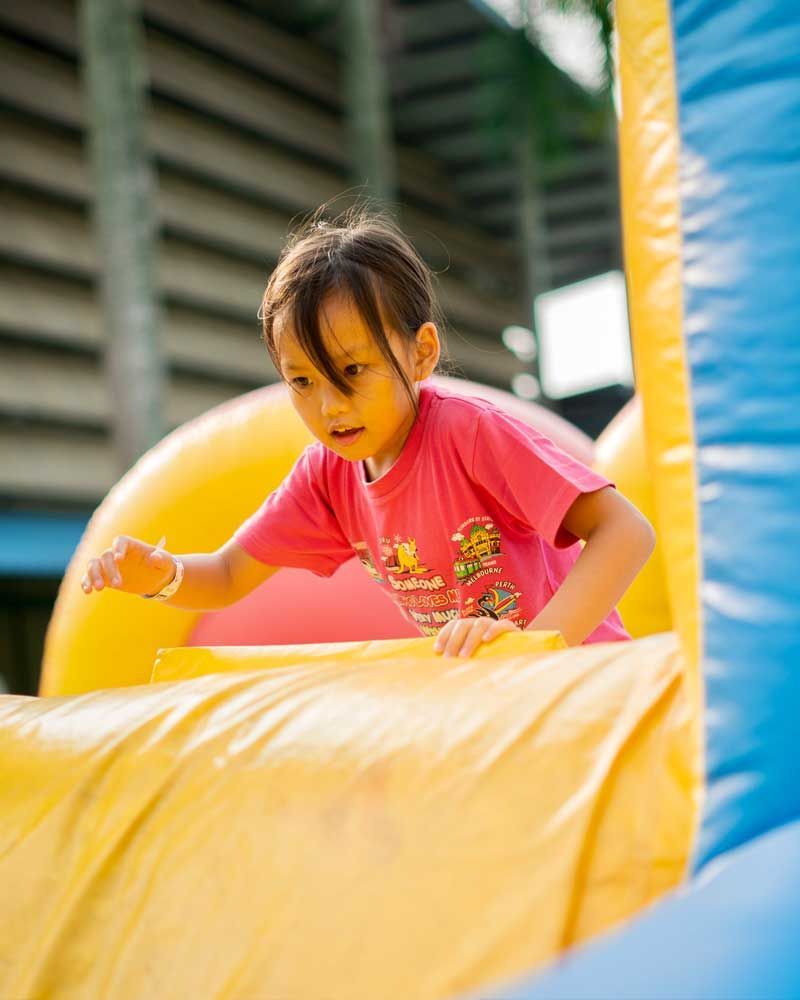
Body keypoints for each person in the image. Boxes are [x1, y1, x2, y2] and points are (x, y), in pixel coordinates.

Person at [81, 209, 655, 658]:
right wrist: (162, 576)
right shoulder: (327, 477)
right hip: (500, 703)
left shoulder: (469, 433)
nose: (329, 406)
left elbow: (625, 531)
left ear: (422, 352)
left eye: (352, 370)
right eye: (301, 381)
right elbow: (229, 574)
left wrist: (535, 652)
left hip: (584, 682)